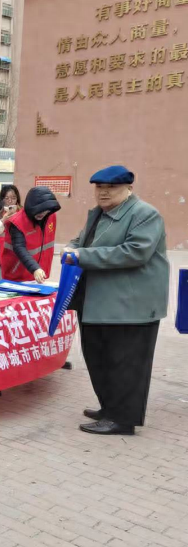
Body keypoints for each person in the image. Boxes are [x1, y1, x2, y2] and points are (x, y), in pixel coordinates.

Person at [63, 166, 169, 436]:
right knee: (99, 359)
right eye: (99, 187)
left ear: (129, 189)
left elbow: (135, 252)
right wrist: (72, 248)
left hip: (130, 308)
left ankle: (123, 419)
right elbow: (80, 240)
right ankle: (109, 407)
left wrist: (82, 256)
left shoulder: (144, 214)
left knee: (126, 365)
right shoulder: (98, 214)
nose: (104, 192)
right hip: (98, 303)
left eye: (111, 188)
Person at [0, 186, 60, 284]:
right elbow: (19, 248)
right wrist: (35, 268)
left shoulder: (51, 217)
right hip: (17, 277)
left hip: (39, 276)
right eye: (39, 210)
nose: (42, 213)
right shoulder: (18, 222)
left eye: (45, 210)